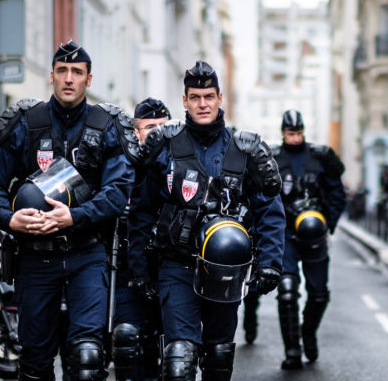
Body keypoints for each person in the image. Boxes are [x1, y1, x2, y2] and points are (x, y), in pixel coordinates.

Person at [0, 40, 138, 381]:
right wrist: (9, 218)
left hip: (87, 254)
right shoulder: (26, 121)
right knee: (34, 361)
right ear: (51, 76)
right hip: (35, 257)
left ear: (88, 79)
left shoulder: (106, 124)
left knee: (87, 358)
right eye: (62, 71)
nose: (69, 78)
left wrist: (75, 216)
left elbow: (117, 191)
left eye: (77, 72)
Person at [128, 61, 286, 381]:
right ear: (184, 101)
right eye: (195, 97)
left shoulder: (243, 149)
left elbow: (270, 210)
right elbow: (141, 211)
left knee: (218, 357)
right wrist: (140, 268)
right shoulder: (164, 146)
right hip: (177, 264)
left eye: (209, 96)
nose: (203, 104)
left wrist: (270, 263)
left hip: (226, 271)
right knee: (179, 359)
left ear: (219, 98)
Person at [270, 109, 346, 370]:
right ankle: (292, 351)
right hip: (286, 235)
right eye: (290, 133)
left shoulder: (320, 157)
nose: (295, 137)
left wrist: (328, 224)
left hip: (315, 233)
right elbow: (263, 196)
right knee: (287, 291)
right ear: (283, 132)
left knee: (319, 294)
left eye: (299, 133)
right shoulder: (272, 159)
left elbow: (337, 193)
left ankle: (308, 333)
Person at [112, 97, 170, 381]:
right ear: (136, 133)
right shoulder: (122, 164)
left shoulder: (180, 164)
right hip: (127, 267)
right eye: (150, 127)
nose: (158, 133)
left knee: (174, 350)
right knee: (127, 339)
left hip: (170, 266)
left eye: (163, 126)